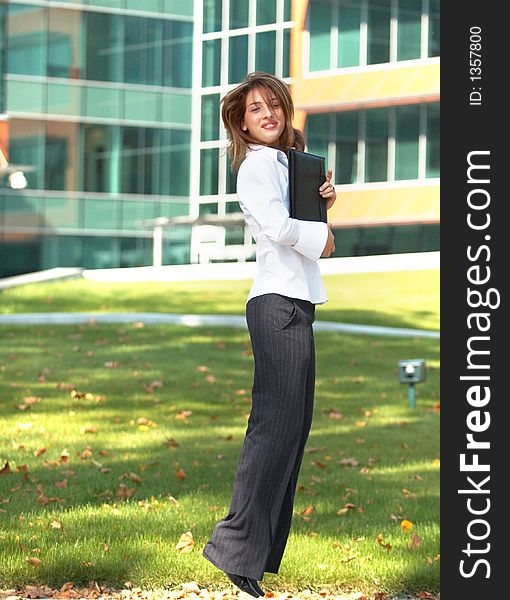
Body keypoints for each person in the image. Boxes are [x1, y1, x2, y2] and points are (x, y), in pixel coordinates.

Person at [202, 72, 336, 597]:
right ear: (242, 123)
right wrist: (323, 235)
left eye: (273, 105)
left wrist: (322, 199)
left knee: (290, 430)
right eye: (254, 109)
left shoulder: (287, 164)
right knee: (274, 427)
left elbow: (294, 222)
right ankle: (235, 550)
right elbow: (281, 230)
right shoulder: (257, 165)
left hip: (294, 303)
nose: (267, 114)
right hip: (276, 305)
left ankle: (248, 559)